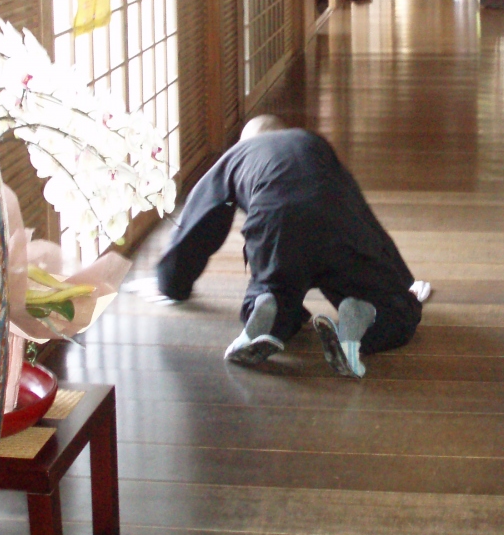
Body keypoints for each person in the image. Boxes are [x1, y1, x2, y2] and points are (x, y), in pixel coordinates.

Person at [156, 115, 430, 379]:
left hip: (276, 224)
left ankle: (268, 305)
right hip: (337, 220)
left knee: (278, 291)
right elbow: (361, 212)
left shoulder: (235, 157)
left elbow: (199, 220)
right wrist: (400, 278)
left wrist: (172, 282)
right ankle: (361, 312)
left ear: (243, 141)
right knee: (396, 314)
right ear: (283, 130)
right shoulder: (311, 142)